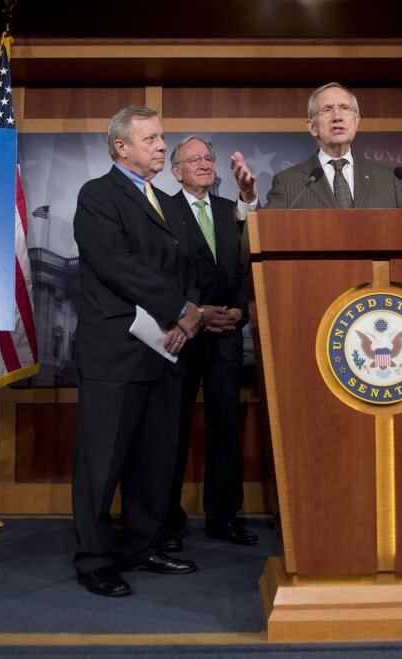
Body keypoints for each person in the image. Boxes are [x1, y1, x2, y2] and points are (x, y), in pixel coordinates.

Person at [71, 105, 203, 598]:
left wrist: (186, 321)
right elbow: (116, 265)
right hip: (116, 351)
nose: (161, 146)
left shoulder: (167, 202)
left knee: (155, 461)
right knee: (101, 463)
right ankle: (93, 559)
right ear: (121, 146)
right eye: (150, 139)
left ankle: (142, 546)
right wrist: (179, 309)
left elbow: (187, 264)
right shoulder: (97, 195)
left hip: (166, 349)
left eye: (161, 138)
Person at [160, 136, 256, 554]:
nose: (202, 164)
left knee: (225, 432)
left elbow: (247, 268)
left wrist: (238, 313)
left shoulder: (229, 211)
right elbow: (159, 273)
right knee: (170, 432)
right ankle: (166, 519)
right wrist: (195, 312)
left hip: (226, 338)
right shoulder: (161, 210)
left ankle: (224, 516)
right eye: (192, 159)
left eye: (207, 158)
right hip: (180, 338)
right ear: (176, 171)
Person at [230, 82, 402, 211]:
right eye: (326, 110)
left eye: (345, 109)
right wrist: (248, 198)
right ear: (311, 126)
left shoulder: (388, 179)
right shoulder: (289, 182)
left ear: (356, 120)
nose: (337, 116)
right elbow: (260, 237)